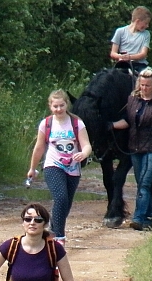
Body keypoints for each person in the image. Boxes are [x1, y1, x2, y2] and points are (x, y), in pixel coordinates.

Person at [108, 67, 152, 230]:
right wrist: (110, 126)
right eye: (142, 85)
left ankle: (138, 217)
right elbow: (127, 121)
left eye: (148, 86)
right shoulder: (132, 100)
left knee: (145, 183)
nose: (144, 88)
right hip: (135, 147)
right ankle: (150, 218)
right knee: (141, 183)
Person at [26, 90, 92, 244]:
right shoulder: (46, 124)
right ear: (50, 106)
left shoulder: (77, 123)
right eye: (55, 106)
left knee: (66, 204)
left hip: (73, 168)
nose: (58, 109)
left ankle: (53, 230)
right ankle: (59, 237)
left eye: (61, 105)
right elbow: (39, 148)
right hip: (53, 165)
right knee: (60, 197)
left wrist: (83, 154)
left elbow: (87, 145)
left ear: (66, 104)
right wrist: (32, 168)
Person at [109, 6, 152, 73]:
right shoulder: (120, 31)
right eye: (146, 23)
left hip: (140, 65)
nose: (147, 26)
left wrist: (129, 57)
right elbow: (113, 53)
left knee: (149, 76)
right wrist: (122, 57)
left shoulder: (146, 34)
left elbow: (143, 54)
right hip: (123, 65)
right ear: (138, 21)